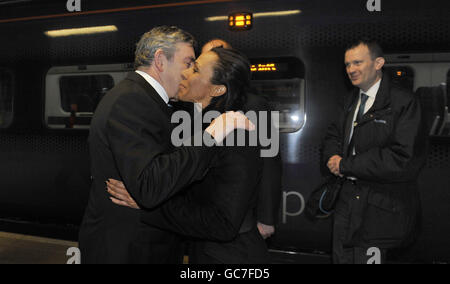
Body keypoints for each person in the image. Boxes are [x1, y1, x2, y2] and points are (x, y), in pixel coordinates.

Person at [78, 26, 253, 264]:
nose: (190, 72)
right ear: (160, 60)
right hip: (129, 250)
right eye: (188, 62)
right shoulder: (132, 101)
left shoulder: (149, 101)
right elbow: (151, 186)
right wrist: (211, 136)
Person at [322, 38, 427, 264]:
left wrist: (346, 165)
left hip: (381, 208)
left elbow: (403, 159)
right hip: (347, 202)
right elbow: (333, 135)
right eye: (347, 65)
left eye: (357, 62)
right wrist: (332, 156)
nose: (351, 70)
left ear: (378, 63)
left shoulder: (403, 102)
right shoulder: (349, 101)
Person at [201, 39, 282, 239]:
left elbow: (270, 160)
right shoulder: (197, 104)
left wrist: (266, 218)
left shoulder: (254, 105)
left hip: (242, 219)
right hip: (204, 217)